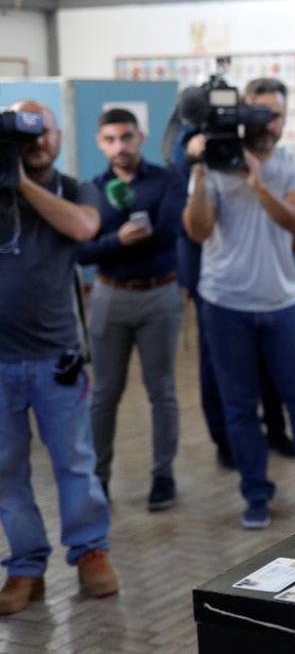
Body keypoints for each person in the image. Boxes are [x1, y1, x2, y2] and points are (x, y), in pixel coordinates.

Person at [182, 77, 295, 529]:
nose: (267, 122)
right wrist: (199, 173)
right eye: (258, 112)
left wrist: (256, 183)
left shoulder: (293, 165)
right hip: (223, 303)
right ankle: (255, 492)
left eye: (275, 114)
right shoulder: (215, 164)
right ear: (241, 113)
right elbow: (197, 231)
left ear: (283, 118)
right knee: (239, 406)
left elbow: (293, 220)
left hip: (279, 302)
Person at [0, 101, 118, 615]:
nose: (36, 141)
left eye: (43, 131)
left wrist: (20, 182)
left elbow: (85, 228)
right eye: (24, 135)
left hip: (57, 360)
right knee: (5, 471)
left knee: (74, 463)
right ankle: (25, 567)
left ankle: (90, 552)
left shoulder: (74, 188)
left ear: (59, 134)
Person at [78, 108, 185, 510]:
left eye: (126, 137)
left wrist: (116, 241)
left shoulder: (167, 180)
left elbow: (169, 235)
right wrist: (117, 242)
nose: (119, 147)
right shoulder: (89, 190)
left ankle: (163, 477)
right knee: (104, 392)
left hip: (160, 295)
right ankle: (98, 479)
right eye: (110, 139)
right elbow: (82, 251)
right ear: (99, 142)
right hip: (109, 295)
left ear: (140, 137)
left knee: (162, 391)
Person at [173, 122, 295, 471]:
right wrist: (194, 154)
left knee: (269, 365)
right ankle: (225, 440)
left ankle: (275, 429)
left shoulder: (248, 147)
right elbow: (191, 218)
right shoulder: (191, 141)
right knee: (218, 369)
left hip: (262, 280)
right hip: (213, 277)